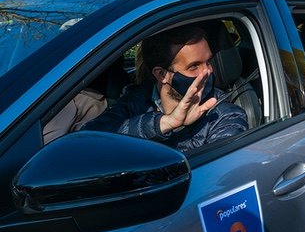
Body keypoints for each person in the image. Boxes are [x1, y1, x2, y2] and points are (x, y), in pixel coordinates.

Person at [83, 24, 248, 153]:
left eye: (208, 62)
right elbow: (87, 141)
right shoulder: (136, 100)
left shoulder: (224, 115)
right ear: (162, 74)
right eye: (194, 66)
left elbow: (216, 176)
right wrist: (164, 123)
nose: (207, 71)